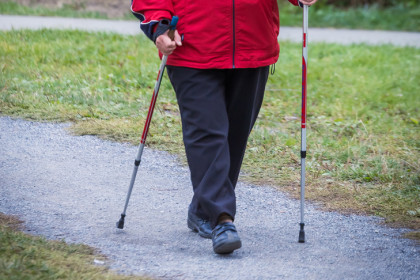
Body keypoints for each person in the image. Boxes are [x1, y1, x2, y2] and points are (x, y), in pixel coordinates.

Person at [131, 0, 317, 254]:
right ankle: (222, 219)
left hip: (253, 44)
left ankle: (202, 209)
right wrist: (159, 27)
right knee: (208, 132)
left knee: (235, 135)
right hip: (191, 48)